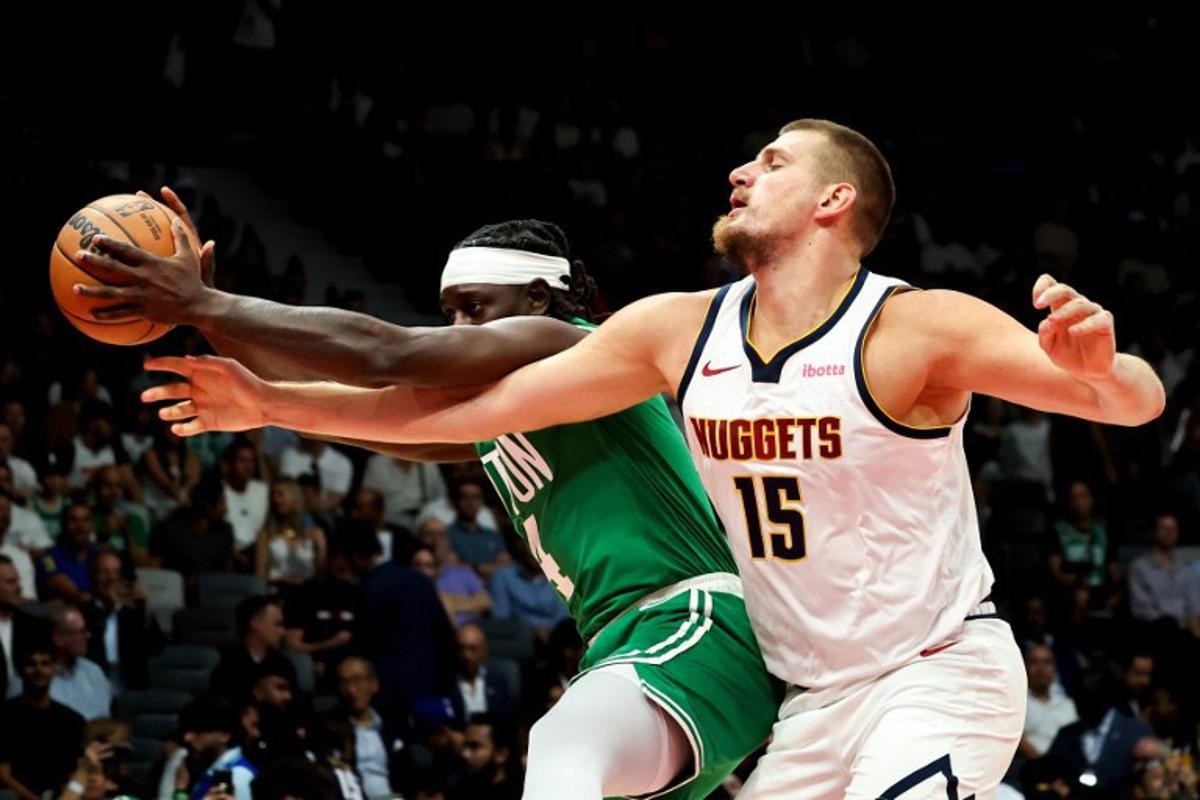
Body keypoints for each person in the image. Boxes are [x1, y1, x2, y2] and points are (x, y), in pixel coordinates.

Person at [130, 119, 1164, 797]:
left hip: (853, 651)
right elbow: (427, 407)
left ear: (834, 202)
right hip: (803, 689)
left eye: (771, 161)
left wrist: (1100, 370)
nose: (739, 168)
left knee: (566, 749)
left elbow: (1128, 401)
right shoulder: (675, 332)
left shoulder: (907, 325)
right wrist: (263, 399)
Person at [88, 206, 781, 799]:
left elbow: (388, 353)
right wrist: (224, 334)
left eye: (474, 309)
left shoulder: (569, 342)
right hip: (621, 645)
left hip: (694, 619)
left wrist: (206, 306)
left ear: (538, 298)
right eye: (448, 311)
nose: (455, 327)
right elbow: (349, 409)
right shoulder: (498, 415)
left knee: (566, 739)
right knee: (569, 754)